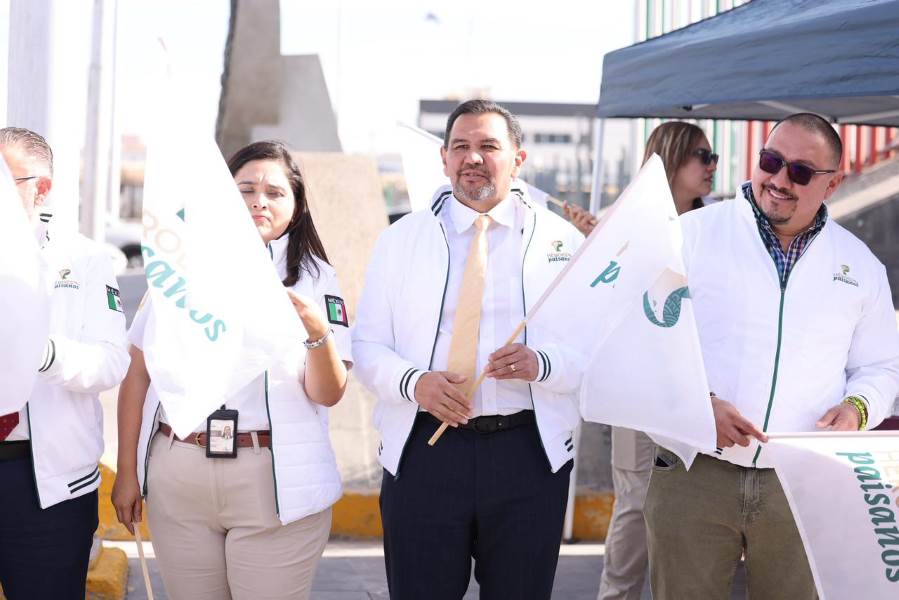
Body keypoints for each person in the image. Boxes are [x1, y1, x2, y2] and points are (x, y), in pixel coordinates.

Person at [643, 113, 899, 599]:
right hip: (694, 468)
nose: (780, 180)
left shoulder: (860, 266)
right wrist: (698, 405)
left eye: (801, 172)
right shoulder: (688, 236)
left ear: (833, 184)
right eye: (771, 161)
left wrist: (858, 409)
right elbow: (640, 342)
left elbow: (882, 367)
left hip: (803, 479)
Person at [352, 99, 585, 599]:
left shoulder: (561, 243)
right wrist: (416, 384)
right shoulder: (400, 241)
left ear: (517, 159)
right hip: (425, 452)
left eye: (488, 146)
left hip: (527, 454)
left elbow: (593, 353)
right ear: (444, 158)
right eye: (461, 146)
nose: (472, 158)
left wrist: (541, 365)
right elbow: (367, 347)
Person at [111, 140, 352, 600]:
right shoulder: (178, 270)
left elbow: (328, 393)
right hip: (179, 475)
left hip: (273, 482)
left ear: (296, 207)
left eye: (276, 192)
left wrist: (317, 331)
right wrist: (126, 471)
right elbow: (137, 374)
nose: (260, 200)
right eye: (246, 189)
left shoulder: (316, 278)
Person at [566, 121, 718, 600]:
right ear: (671, 158)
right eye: (701, 155)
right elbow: (601, 302)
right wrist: (600, 247)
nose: (712, 165)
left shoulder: (715, 227)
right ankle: (617, 594)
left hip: (700, 385)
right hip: (640, 385)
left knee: (697, 508)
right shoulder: (627, 223)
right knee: (636, 503)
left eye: (713, 156)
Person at [0, 127, 130, 599]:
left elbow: (112, 362)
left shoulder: (85, 260)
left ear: (42, 188)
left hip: (45, 489)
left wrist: (43, 352)